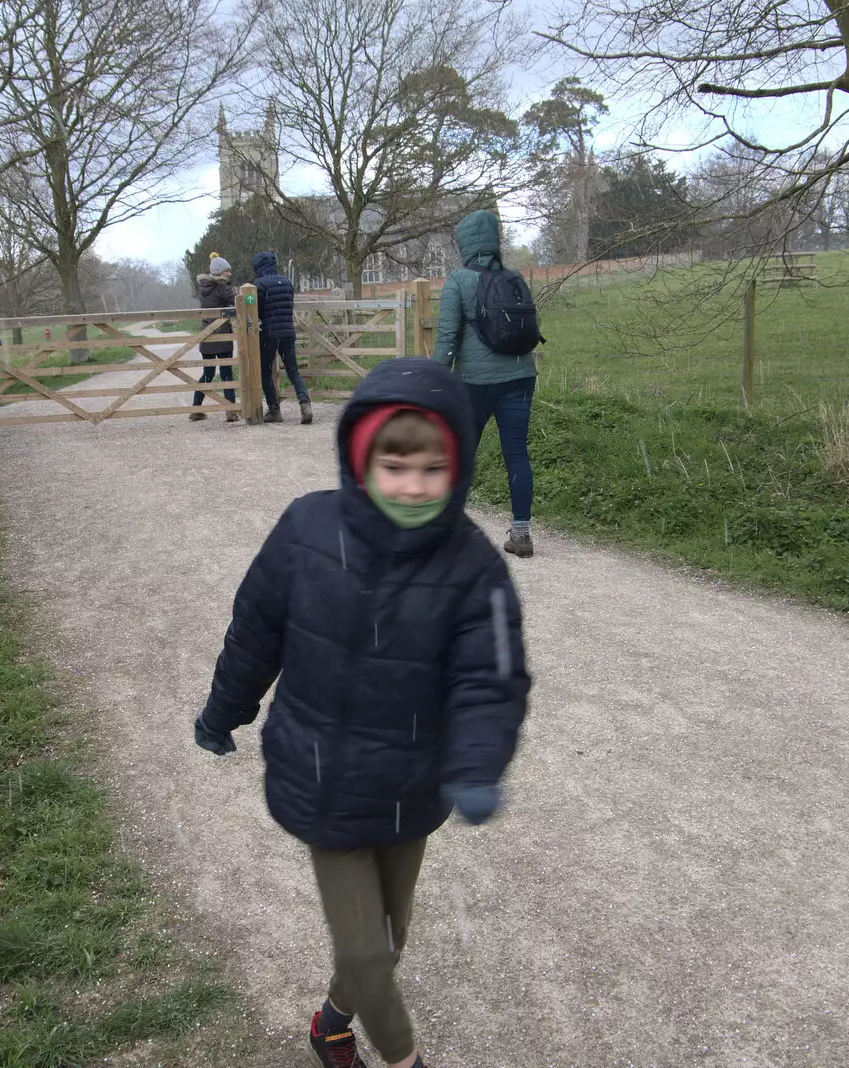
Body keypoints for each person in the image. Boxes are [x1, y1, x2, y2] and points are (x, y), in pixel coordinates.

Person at [194, 357, 530, 1068]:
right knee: (368, 955)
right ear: (361, 457)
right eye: (395, 464)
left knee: (389, 938)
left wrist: (475, 765)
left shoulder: (474, 567)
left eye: (431, 468)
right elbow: (256, 631)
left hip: (412, 782)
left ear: (458, 466)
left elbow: (490, 681)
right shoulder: (305, 529)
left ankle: (331, 1023)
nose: (412, 486)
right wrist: (223, 710)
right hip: (322, 781)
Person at [432, 209, 538, 558]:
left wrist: (436, 383)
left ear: (465, 243)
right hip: (521, 377)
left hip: (474, 384)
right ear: (494, 241)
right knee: (517, 453)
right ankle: (521, 535)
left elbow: (447, 338)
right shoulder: (515, 277)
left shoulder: (458, 280)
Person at [251, 250, 312, 424]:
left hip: (269, 334)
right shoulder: (286, 282)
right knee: (293, 371)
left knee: (265, 371)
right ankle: (305, 405)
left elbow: (258, 311)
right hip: (288, 332)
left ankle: (274, 410)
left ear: (258, 267)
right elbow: (290, 305)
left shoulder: (259, 285)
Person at [191, 254, 240, 422]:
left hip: (207, 334)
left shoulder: (204, 289)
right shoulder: (222, 288)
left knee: (208, 373)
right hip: (222, 335)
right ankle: (231, 411)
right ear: (220, 272)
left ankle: (196, 408)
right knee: (226, 373)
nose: (229, 274)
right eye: (227, 271)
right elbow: (238, 302)